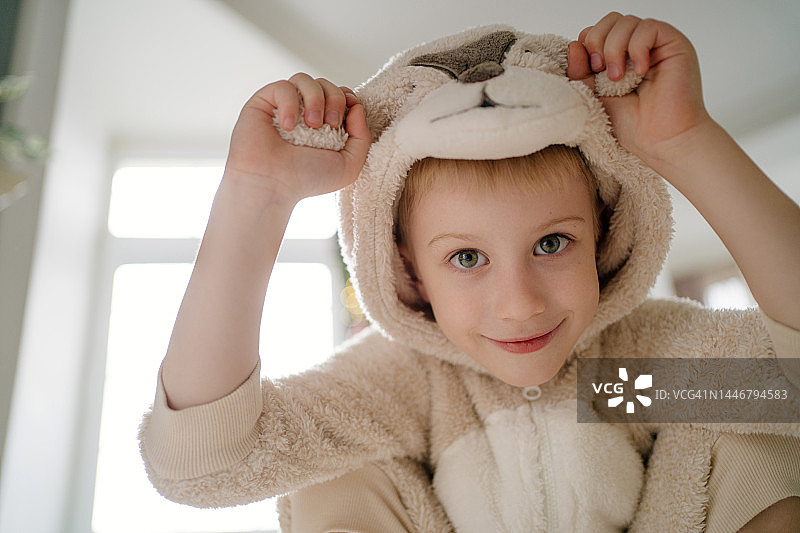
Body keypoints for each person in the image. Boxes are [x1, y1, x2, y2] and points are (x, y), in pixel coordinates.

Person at [139, 13, 800, 532]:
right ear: (410, 271)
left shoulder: (627, 376)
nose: (519, 305)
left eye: (551, 244)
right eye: (466, 257)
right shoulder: (408, 391)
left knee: (751, 439)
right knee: (333, 480)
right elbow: (201, 465)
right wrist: (255, 196)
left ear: (601, 233)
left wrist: (686, 143)